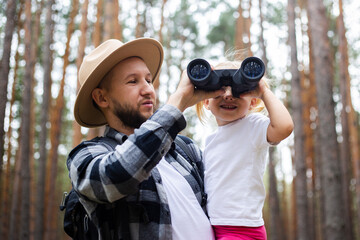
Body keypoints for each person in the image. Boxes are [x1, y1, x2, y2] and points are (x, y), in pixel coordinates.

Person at [67, 38, 224, 240]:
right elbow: (115, 176)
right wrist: (177, 103)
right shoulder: (85, 155)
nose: (149, 90)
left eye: (149, 80)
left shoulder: (186, 150)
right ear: (101, 98)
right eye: (133, 81)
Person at [196, 60, 294, 240]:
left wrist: (264, 90)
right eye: (219, 89)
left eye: (238, 89)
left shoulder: (252, 126)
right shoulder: (210, 140)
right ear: (205, 102)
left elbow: (284, 127)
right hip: (215, 226)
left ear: (252, 102)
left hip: (242, 229)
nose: (228, 95)